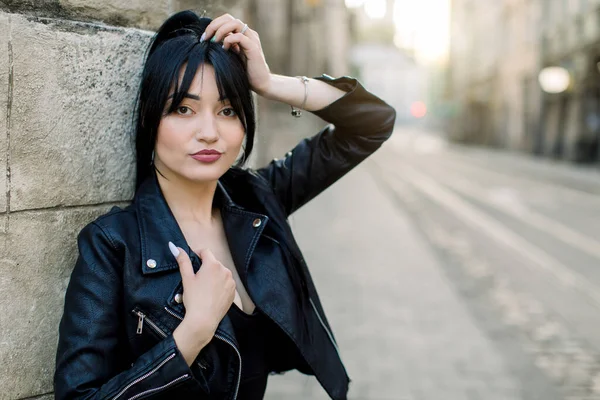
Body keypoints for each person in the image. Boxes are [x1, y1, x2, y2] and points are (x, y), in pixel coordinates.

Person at [53, 10, 396, 400]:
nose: (209, 133)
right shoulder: (113, 246)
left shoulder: (257, 201)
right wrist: (190, 335)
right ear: (152, 119)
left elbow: (374, 122)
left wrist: (268, 83)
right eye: (184, 108)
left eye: (228, 110)